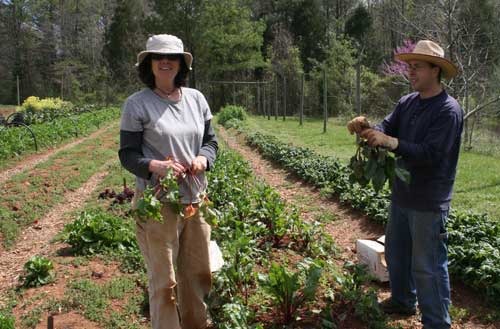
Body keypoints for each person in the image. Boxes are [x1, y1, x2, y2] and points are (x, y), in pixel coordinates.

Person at [347, 40, 463, 329]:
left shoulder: (448, 111)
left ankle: (437, 322)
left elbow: (432, 155)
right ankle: (402, 301)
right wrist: (368, 129)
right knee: (397, 255)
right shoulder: (407, 102)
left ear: (436, 70)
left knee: (427, 266)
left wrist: (392, 143)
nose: (411, 72)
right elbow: (387, 127)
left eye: (418, 67)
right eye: (409, 67)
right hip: (402, 195)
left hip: (428, 200)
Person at [118, 34, 218, 329]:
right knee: (164, 282)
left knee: (197, 275)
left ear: (180, 64)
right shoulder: (137, 104)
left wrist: (203, 159)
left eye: (171, 57)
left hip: (195, 201)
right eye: (158, 57)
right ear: (149, 64)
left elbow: (211, 142)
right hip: (158, 204)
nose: (165, 62)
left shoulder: (196, 99)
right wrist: (154, 166)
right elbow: (127, 154)